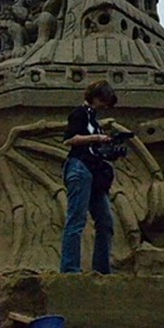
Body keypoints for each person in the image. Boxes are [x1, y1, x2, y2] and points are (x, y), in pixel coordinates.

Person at [60, 80, 118, 274]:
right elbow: (70, 139)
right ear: (96, 98)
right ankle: (70, 270)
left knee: (106, 222)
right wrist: (96, 138)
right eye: (104, 101)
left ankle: (102, 270)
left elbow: (96, 148)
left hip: (95, 172)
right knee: (76, 220)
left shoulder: (95, 121)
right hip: (79, 167)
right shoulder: (79, 114)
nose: (105, 106)